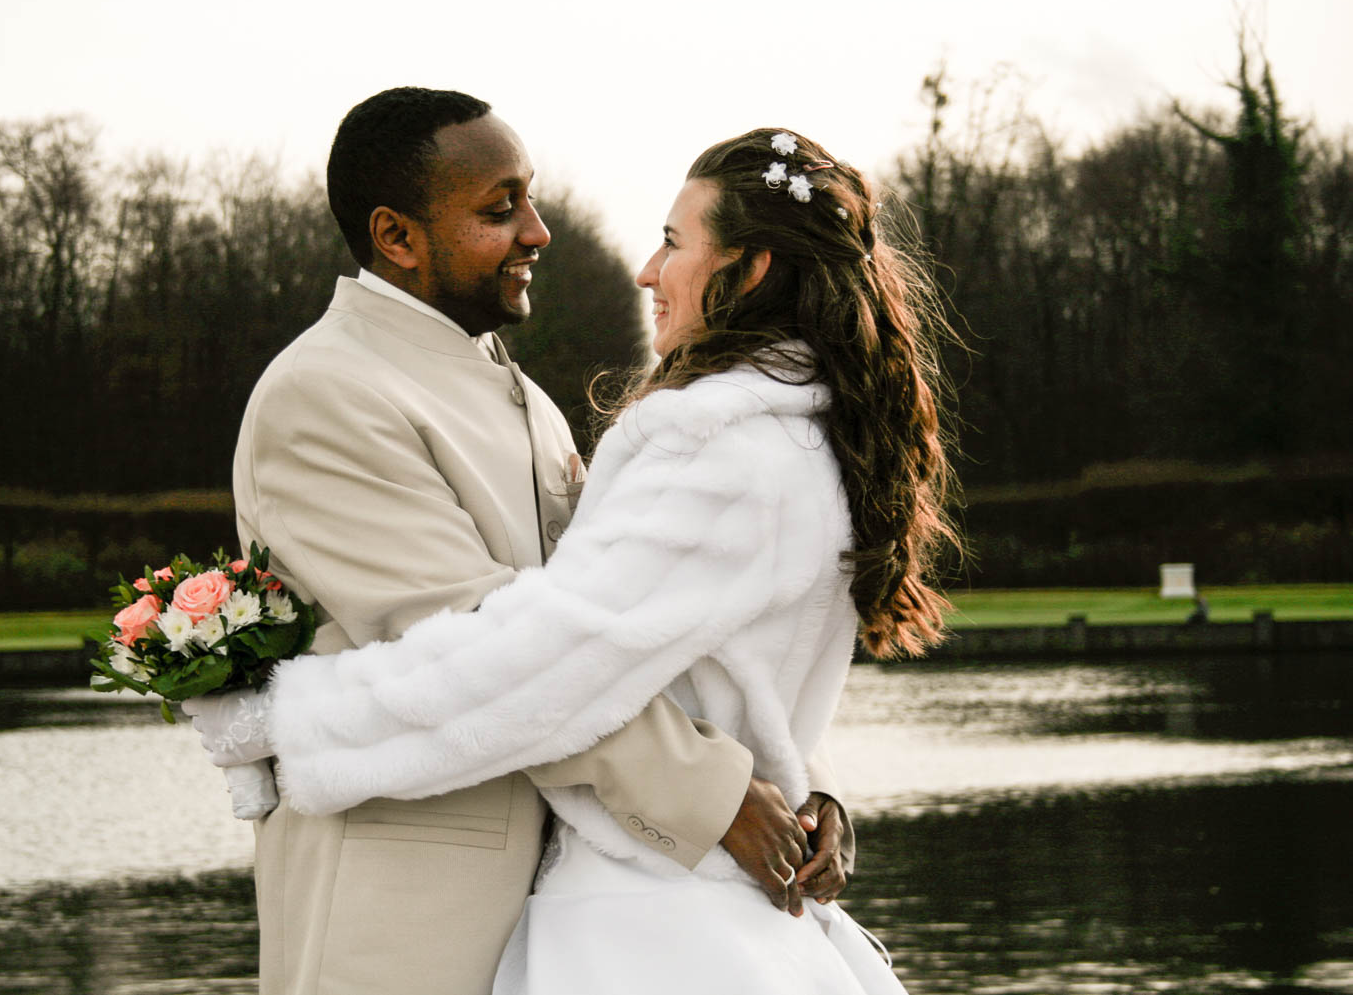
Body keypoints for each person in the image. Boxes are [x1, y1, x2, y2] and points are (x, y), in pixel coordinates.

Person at [190, 126, 958, 993]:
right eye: (500, 207)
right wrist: (718, 788)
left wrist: (795, 784)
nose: (538, 230)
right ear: (397, 236)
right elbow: (496, 640)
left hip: (597, 900)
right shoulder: (327, 393)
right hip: (410, 907)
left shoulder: (545, 408)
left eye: (529, 197)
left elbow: (623, 644)